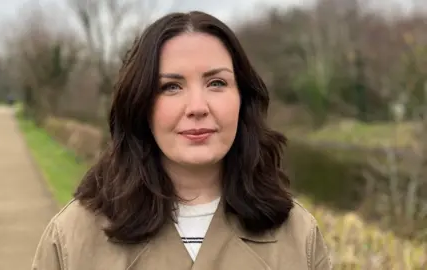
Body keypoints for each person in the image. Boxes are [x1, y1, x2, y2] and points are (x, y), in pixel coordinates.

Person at [32, 11, 332, 270]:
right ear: (140, 104)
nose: (198, 107)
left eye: (217, 83)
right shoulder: (73, 237)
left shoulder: (298, 235)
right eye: (171, 87)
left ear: (243, 99)